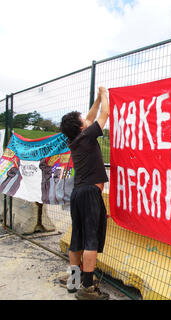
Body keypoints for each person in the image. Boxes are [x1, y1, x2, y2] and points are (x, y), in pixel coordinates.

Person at [59, 86, 110, 300]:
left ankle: (73, 282)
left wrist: (96, 99)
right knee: (90, 239)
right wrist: (105, 95)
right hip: (90, 194)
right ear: (82, 127)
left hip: (78, 193)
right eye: (83, 120)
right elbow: (104, 114)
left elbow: (90, 116)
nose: (87, 119)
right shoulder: (88, 137)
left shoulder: (75, 139)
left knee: (77, 239)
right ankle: (88, 288)